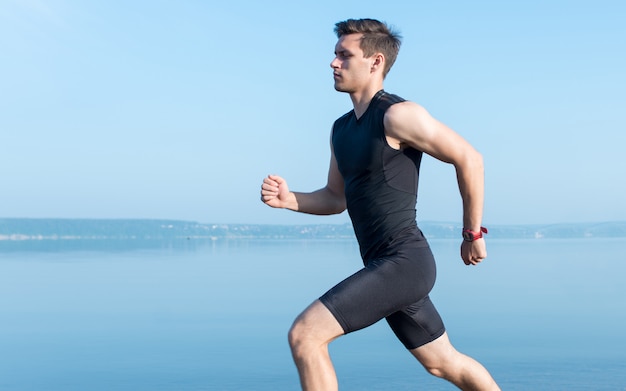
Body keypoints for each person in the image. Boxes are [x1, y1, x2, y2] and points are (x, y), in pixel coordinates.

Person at [260, 18, 500, 391]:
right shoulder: (341, 128)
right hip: (384, 265)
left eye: (344, 55)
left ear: (375, 62)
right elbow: (336, 198)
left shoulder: (397, 115)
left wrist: (473, 232)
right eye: (334, 54)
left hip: (405, 263)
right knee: (443, 364)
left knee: (306, 335)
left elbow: (470, 158)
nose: (333, 63)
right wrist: (291, 200)